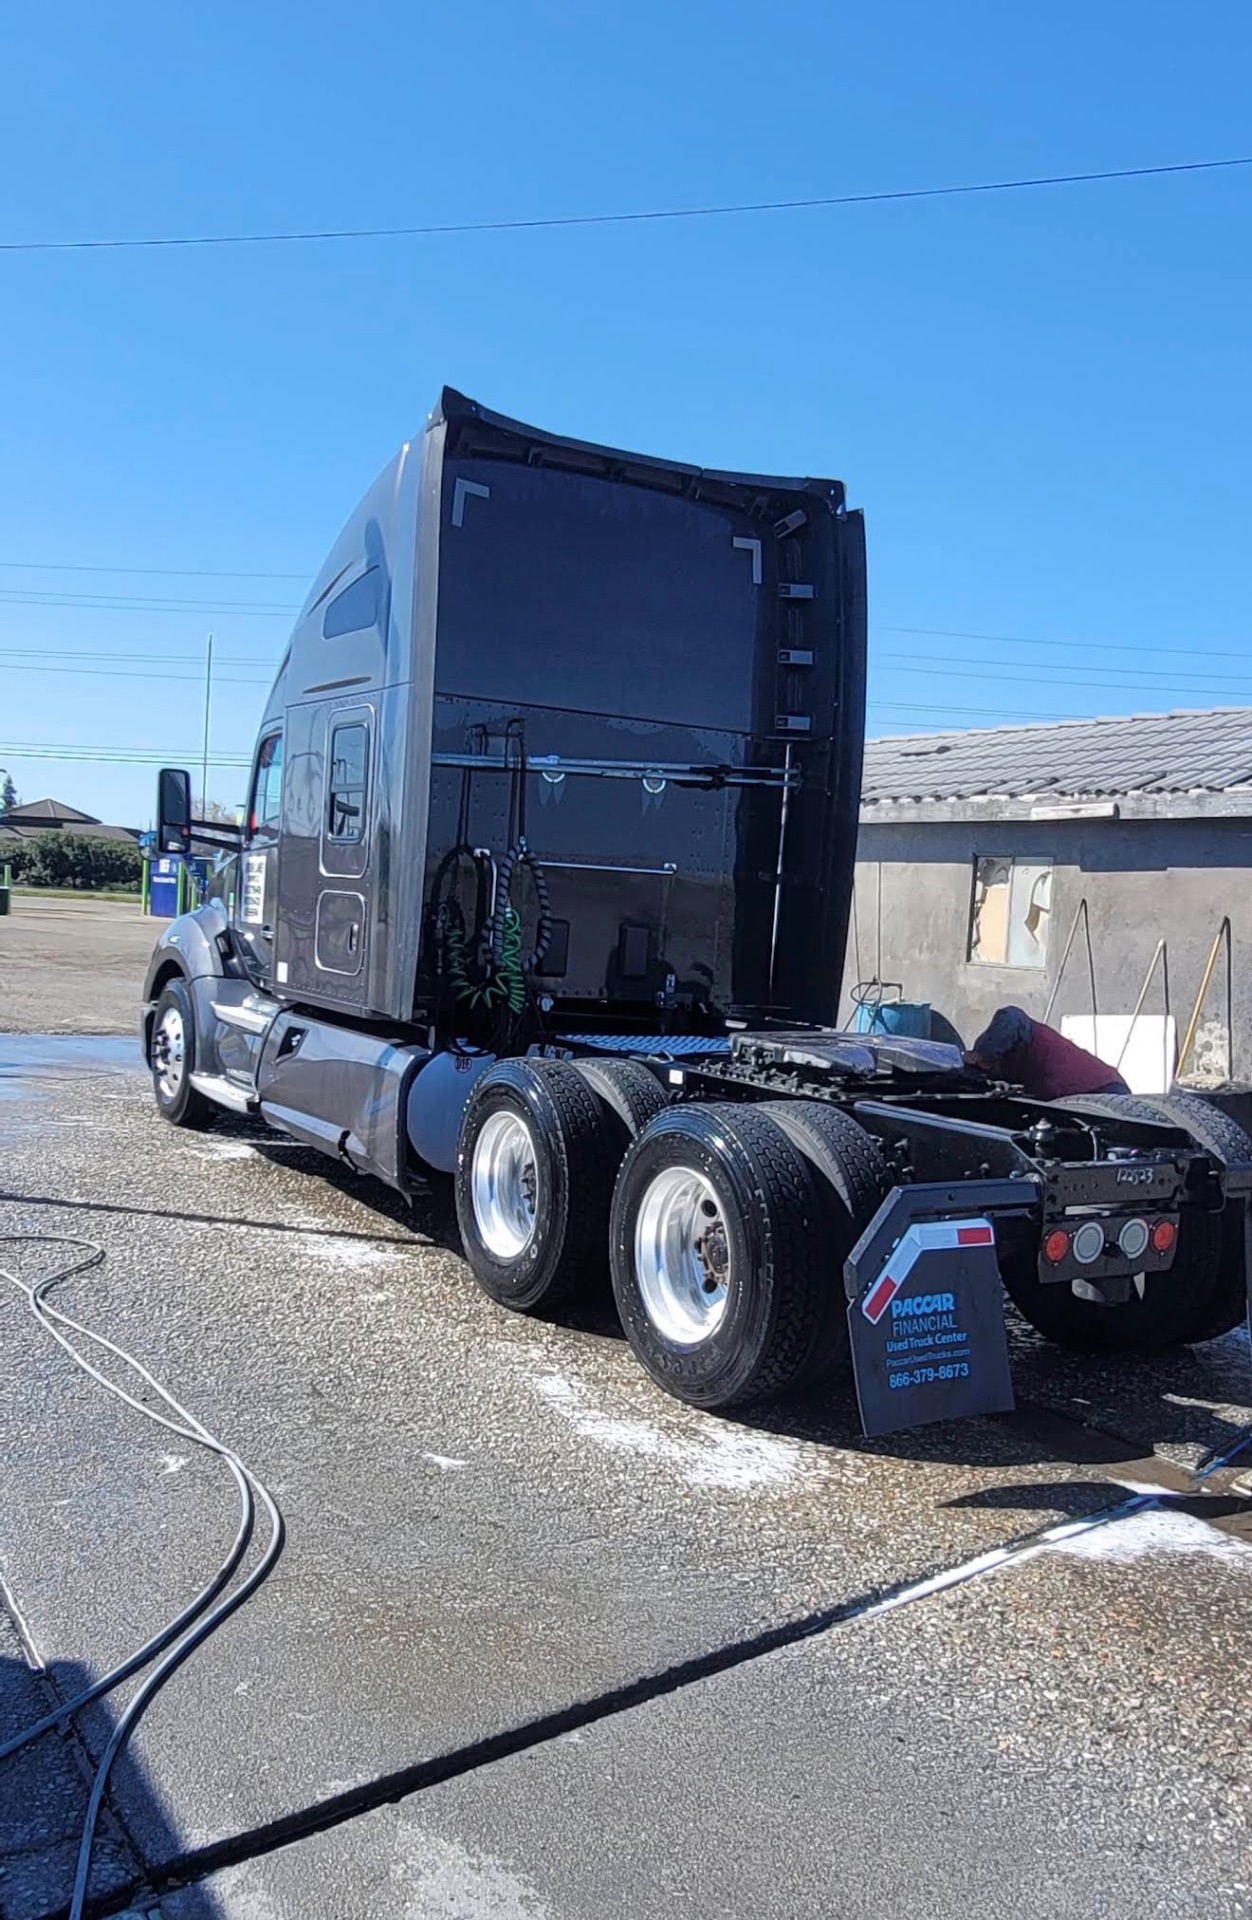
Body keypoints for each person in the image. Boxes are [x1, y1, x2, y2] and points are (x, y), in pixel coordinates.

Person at [966, 1005, 1129, 1101]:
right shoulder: (1023, 1066)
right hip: (1097, 1089)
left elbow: (1012, 1016)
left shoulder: (1027, 1036)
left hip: (1103, 1090)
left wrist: (982, 1054)